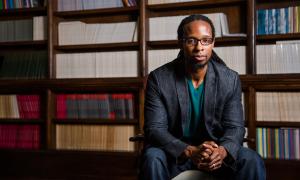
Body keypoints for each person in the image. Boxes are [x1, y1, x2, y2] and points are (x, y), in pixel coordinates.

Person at [140, 14, 266, 180]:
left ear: (213, 43)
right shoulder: (159, 79)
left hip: (215, 153)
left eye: (206, 40)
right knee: (152, 158)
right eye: (192, 40)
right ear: (181, 42)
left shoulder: (229, 79)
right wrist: (190, 151)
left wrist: (222, 151)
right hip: (176, 153)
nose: (199, 47)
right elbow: (155, 129)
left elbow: (235, 127)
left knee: (251, 160)